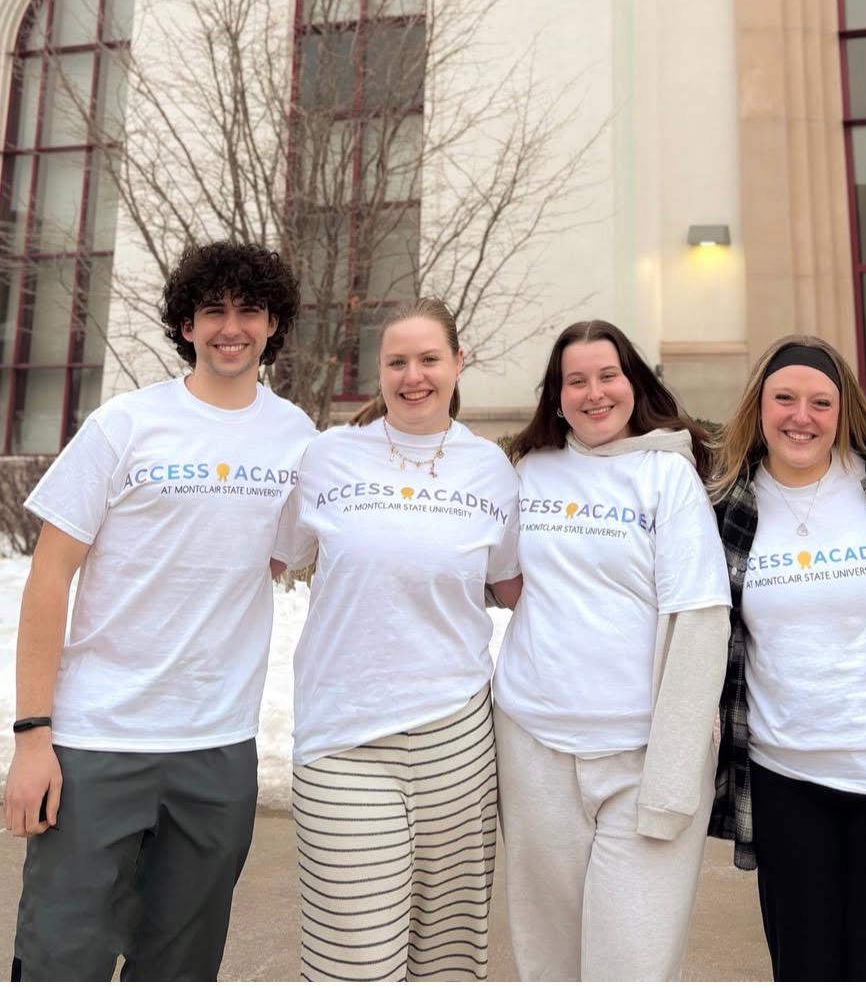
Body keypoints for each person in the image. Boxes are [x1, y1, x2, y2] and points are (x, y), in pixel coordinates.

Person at [4, 240, 311, 982]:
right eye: (212, 311)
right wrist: (32, 737)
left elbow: (279, 558)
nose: (230, 327)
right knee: (60, 958)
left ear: (273, 324)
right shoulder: (126, 424)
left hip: (218, 746)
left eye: (249, 310)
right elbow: (48, 581)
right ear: (185, 324)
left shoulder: (298, 438)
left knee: (179, 964)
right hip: (98, 740)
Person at [273, 296, 521, 983]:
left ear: (458, 364)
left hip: (457, 737)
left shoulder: (492, 470)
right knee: (353, 960)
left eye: (429, 359)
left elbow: (514, 590)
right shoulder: (325, 457)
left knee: (446, 959)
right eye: (397, 362)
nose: (414, 376)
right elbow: (263, 561)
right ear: (378, 371)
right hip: (344, 739)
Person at [709, 335, 866, 983]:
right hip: (788, 784)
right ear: (759, 407)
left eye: (820, 402)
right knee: (808, 968)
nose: (802, 415)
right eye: (785, 398)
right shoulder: (723, 508)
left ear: (844, 410)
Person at [491, 319, 729, 982]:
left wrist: (674, 780)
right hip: (535, 744)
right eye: (576, 381)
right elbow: (490, 575)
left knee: (631, 963)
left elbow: (700, 624)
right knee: (550, 957)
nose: (594, 393)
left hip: (641, 759)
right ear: (556, 395)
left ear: (634, 383)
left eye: (607, 376)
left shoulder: (665, 476)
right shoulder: (528, 472)